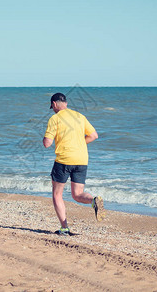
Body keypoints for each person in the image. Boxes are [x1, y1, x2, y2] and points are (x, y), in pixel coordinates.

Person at [43, 92, 105, 235]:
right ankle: (94, 200)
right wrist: (79, 144)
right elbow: (94, 135)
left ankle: (64, 228)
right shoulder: (79, 116)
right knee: (77, 194)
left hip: (64, 160)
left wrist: (45, 139)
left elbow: (47, 143)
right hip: (82, 159)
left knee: (57, 195)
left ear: (54, 104)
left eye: (52, 107)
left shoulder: (55, 118)